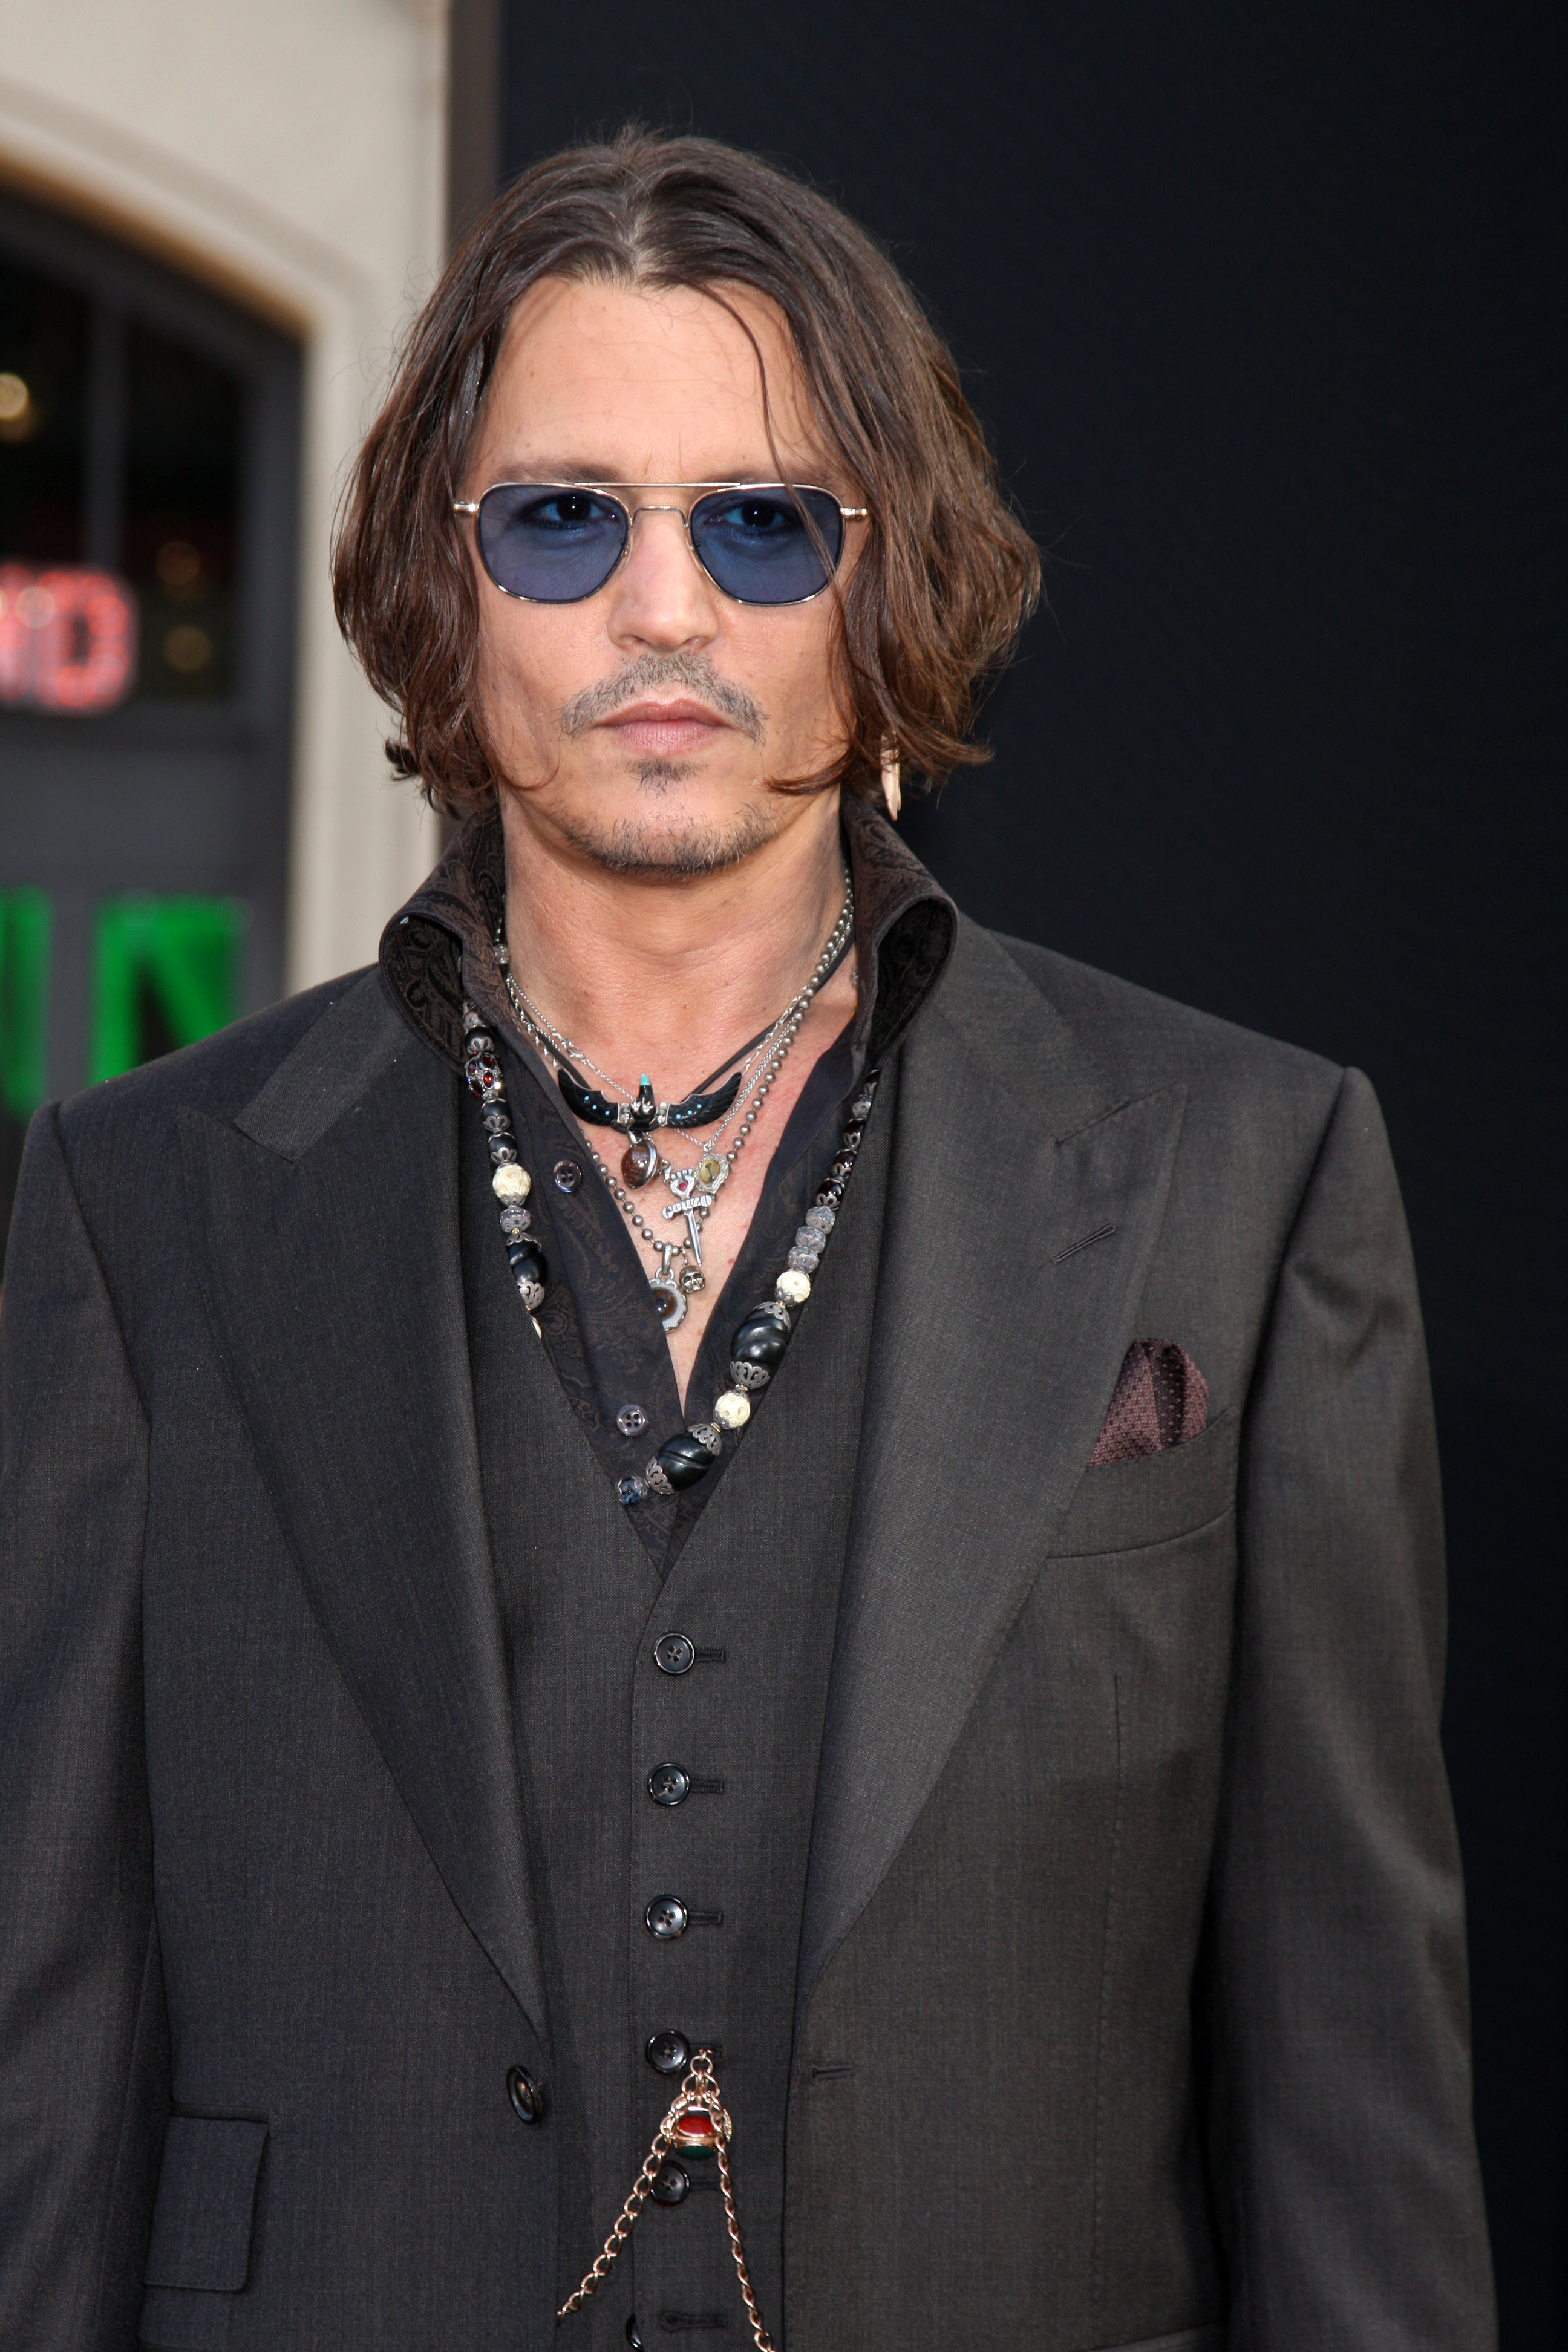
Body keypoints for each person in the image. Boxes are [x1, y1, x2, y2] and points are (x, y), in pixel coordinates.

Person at [0, 129, 1494, 2352]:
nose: (665, 609)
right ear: (447, 582)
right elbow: (42, 2078)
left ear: (886, 586)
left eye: (762, 523)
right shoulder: (145, 1210)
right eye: (565, 519)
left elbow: (1354, 2106)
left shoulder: (1245, 1180)